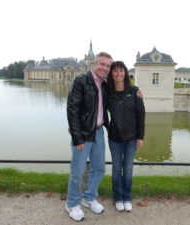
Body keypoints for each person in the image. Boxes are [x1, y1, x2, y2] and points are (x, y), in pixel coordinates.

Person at [66, 52, 113, 221]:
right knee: (77, 172)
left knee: (99, 168)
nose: (105, 68)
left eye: (108, 66)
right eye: (102, 64)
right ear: (94, 64)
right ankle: (72, 203)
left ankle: (89, 197)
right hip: (84, 134)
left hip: (99, 132)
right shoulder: (80, 81)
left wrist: (136, 92)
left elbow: (121, 92)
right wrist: (77, 138)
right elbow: (72, 112)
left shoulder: (105, 84)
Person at [106, 61, 145, 212]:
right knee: (116, 169)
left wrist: (140, 137)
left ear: (126, 73)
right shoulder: (108, 92)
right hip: (115, 137)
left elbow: (141, 114)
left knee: (127, 169)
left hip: (131, 138)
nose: (118, 74)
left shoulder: (134, 91)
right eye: (115, 71)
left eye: (121, 71)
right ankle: (118, 197)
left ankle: (127, 197)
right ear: (111, 74)